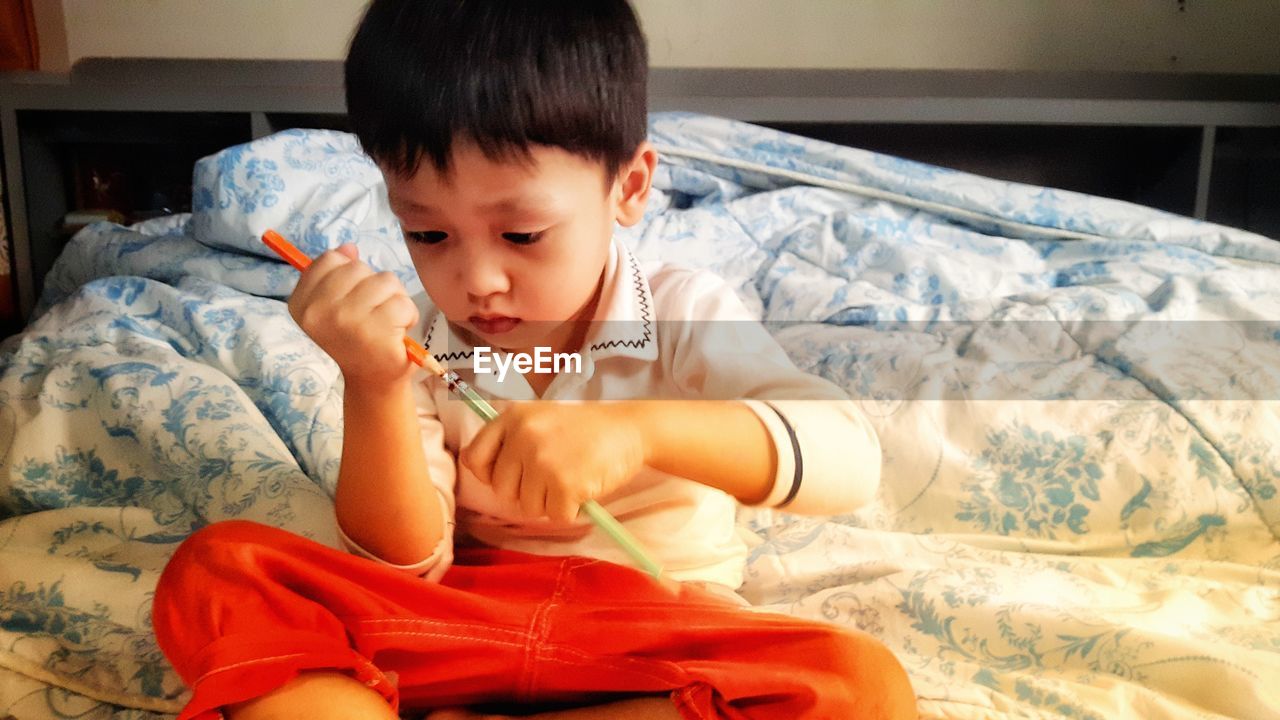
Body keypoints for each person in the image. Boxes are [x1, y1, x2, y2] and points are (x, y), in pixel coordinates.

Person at [151, 1, 916, 718]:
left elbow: (847, 457)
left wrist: (639, 433)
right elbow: (401, 568)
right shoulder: (415, 340)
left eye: (520, 235)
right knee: (219, 571)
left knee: (857, 687)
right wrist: (373, 384)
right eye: (428, 235)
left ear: (631, 186)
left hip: (652, 632)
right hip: (458, 623)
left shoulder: (681, 312)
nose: (476, 280)